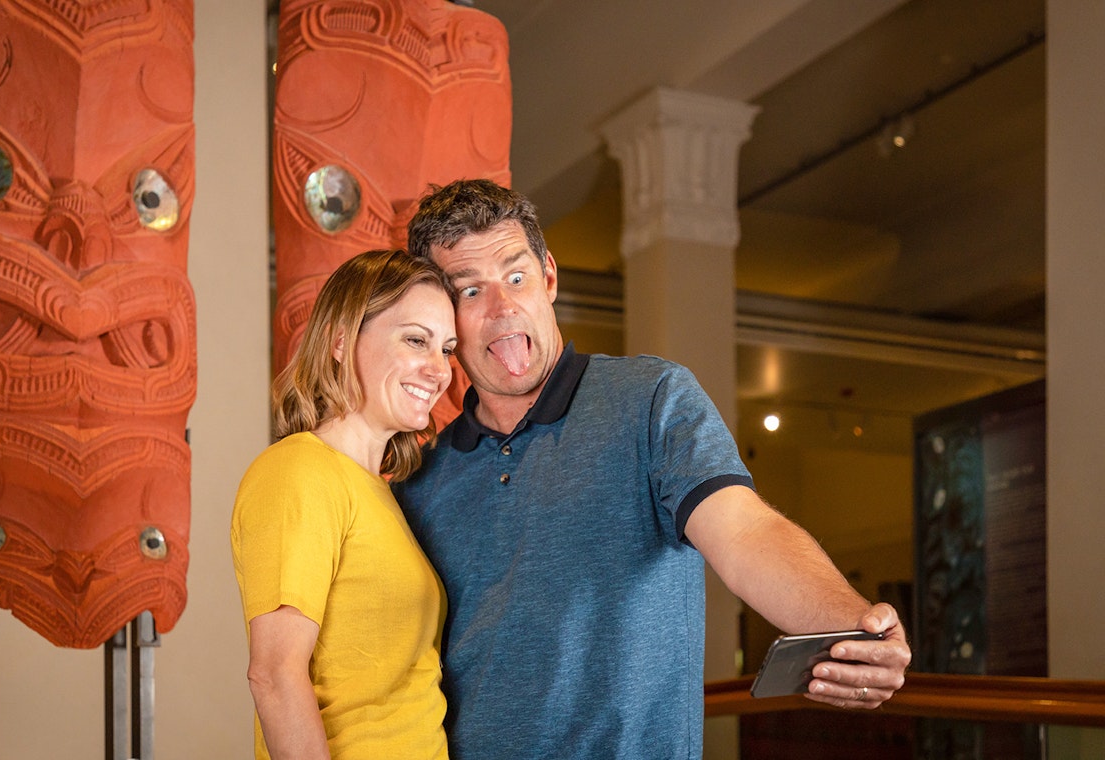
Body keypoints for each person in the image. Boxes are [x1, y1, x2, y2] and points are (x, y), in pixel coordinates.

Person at [395, 179, 912, 759]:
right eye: (470, 292)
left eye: (516, 278)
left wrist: (854, 625)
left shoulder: (650, 399)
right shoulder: (422, 479)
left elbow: (745, 531)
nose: (503, 308)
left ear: (549, 278)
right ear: (444, 321)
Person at [231, 249, 458, 760]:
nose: (439, 369)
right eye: (416, 340)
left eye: (446, 348)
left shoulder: (383, 492)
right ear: (340, 340)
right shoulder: (298, 471)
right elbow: (274, 674)